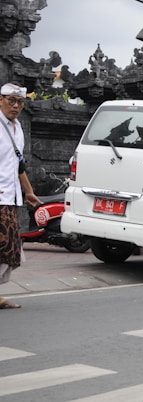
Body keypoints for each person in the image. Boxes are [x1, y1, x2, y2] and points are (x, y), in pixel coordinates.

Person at [0, 83, 40, 310]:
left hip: (10, 197)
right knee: (4, 247)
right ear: (0, 100)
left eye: (20, 102)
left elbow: (18, 164)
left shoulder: (17, 128)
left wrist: (29, 191)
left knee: (9, 250)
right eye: (10, 100)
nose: (15, 106)